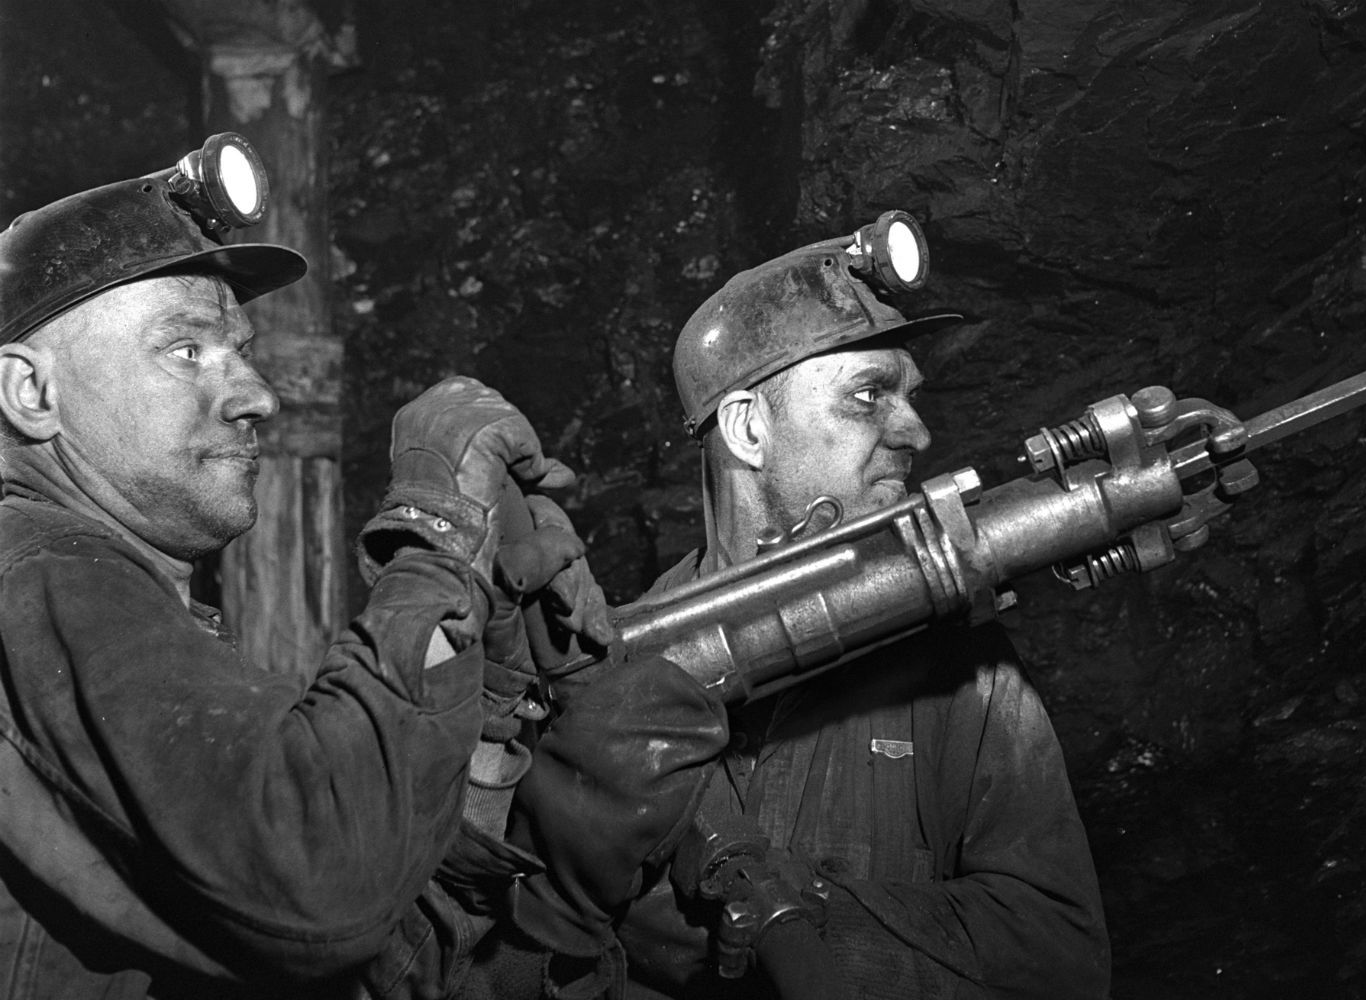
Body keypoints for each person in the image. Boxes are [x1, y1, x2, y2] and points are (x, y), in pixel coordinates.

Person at [0, 140, 727, 1000]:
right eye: (185, 351)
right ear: (30, 393)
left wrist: (484, 695)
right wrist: (435, 536)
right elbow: (318, 884)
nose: (257, 394)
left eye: (238, 350)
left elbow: (356, 959)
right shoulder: (48, 569)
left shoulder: (103, 591)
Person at [615, 218, 1113, 998]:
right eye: (868, 396)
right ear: (749, 427)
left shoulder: (958, 665)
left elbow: (1060, 955)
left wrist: (812, 919)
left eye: (909, 396)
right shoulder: (615, 672)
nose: (915, 429)